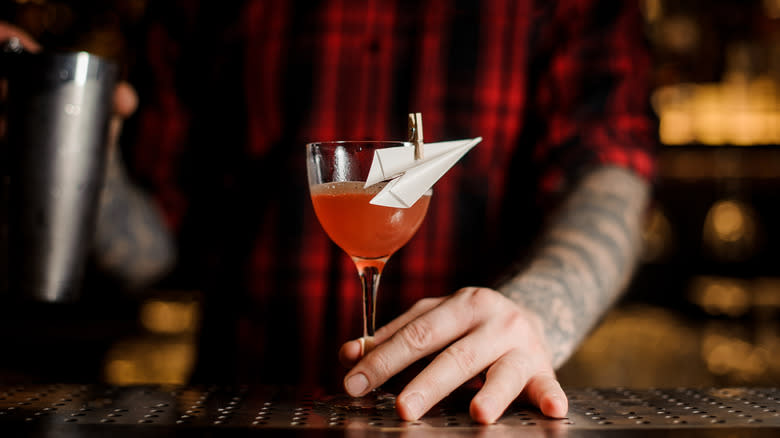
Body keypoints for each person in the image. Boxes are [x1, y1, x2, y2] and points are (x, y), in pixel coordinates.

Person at [1, 0, 655, 425]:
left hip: (467, 417)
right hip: (244, 411)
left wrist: (536, 311)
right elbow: (147, 253)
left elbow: (610, 177)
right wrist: (79, 153)